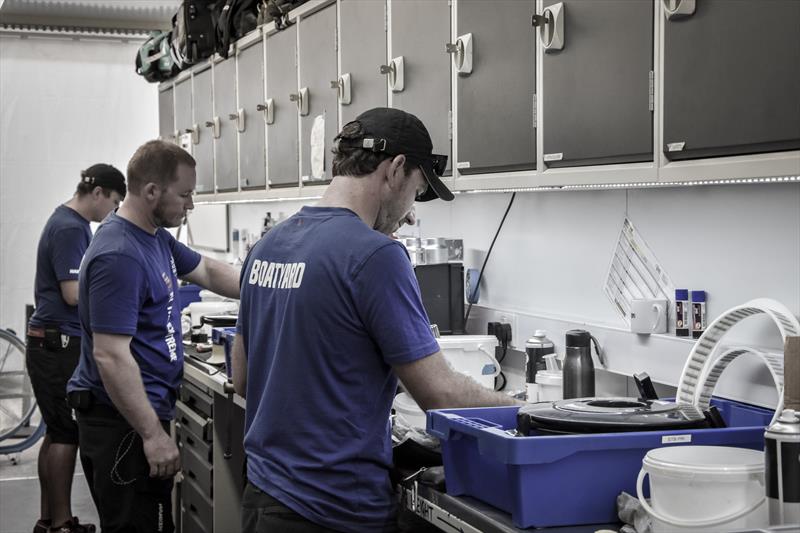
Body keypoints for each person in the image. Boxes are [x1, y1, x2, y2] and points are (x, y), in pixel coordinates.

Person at [232, 107, 522, 533]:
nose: (409, 214)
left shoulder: (267, 247)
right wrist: (525, 412)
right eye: (416, 192)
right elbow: (439, 394)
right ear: (396, 169)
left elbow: (243, 377)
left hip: (263, 497)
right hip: (333, 511)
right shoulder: (376, 255)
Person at [66, 140, 240, 533]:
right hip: (122, 425)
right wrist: (152, 435)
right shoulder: (120, 253)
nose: (190, 206)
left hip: (140, 413)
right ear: (151, 191)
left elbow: (209, 272)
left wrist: (264, 282)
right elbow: (110, 356)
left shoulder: (153, 237)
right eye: (185, 195)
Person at [27, 164, 126, 533]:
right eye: (114, 202)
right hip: (59, 343)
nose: (112, 212)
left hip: (52, 341)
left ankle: (49, 520)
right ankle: (63, 524)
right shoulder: (71, 227)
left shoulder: (70, 222)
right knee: (67, 435)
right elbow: (73, 293)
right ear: (97, 192)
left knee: (55, 433)